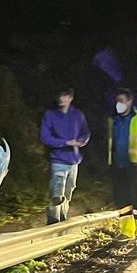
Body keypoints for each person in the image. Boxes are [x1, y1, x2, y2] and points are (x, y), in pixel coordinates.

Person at [40, 88, 90, 224]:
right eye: (60, 96)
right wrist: (65, 142)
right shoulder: (50, 115)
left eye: (65, 96)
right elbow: (45, 137)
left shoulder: (78, 115)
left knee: (69, 191)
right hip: (58, 159)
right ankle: (52, 221)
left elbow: (85, 133)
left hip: (73, 160)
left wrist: (81, 142)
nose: (62, 99)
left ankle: (63, 218)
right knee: (57, 193)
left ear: (70, 98)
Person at [107, 88, 137, 239]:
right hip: (118, 165)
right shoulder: (113, 120)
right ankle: (126, 232)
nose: (118, 104)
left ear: (130, 101)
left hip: (135, 165)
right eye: (117, 101)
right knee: (122, 200)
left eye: (121, 101)